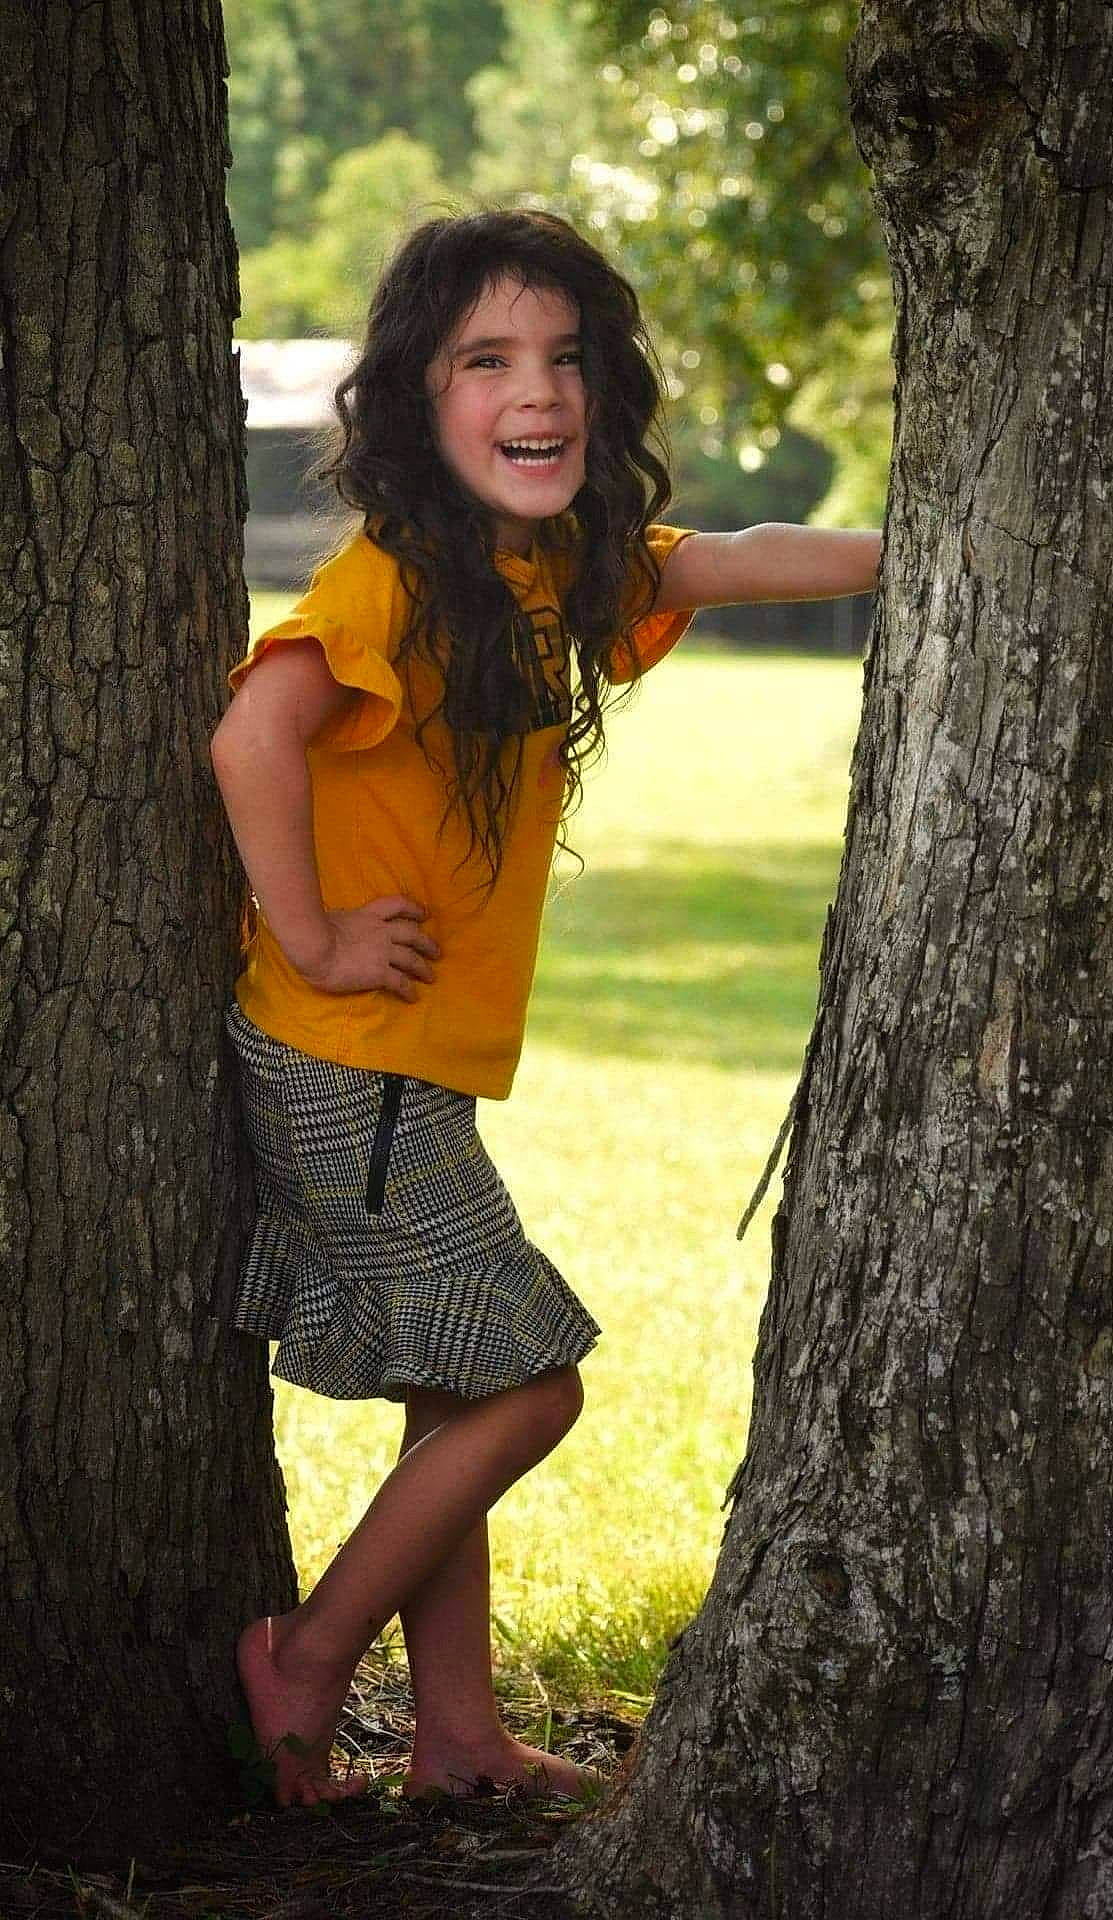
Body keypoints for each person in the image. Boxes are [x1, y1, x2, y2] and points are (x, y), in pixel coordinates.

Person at [211, 207, 881, 1809]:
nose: (543, 391)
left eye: (566, 360)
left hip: (392, 1073)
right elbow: (256, 731)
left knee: (459, 1390)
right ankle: (305, 1660)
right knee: (529, 1386)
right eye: (488, 359)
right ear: (410, 403)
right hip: (344, 1065)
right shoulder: (390, 585)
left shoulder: (533, 575)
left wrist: (934, 542)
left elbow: (707, 564)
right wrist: (305, 932)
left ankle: (456, 1741)